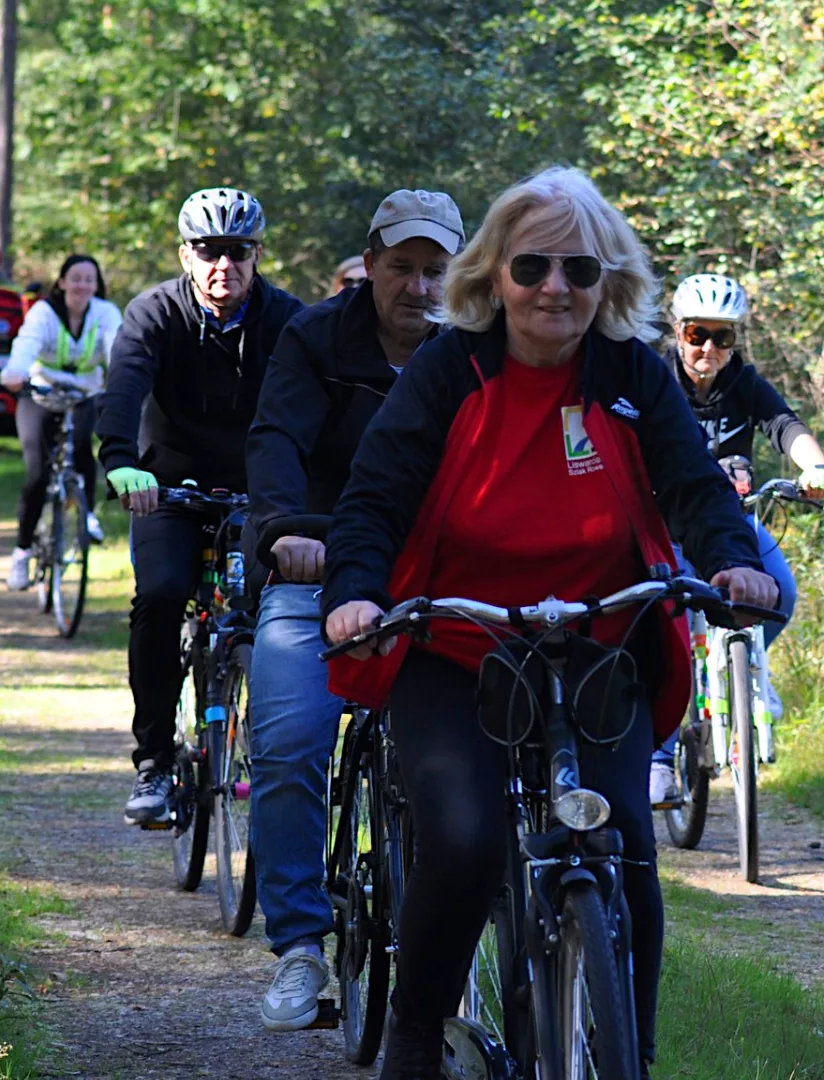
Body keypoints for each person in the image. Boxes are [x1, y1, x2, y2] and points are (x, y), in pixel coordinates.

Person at [319, 167, 776, 1079]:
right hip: (456, 646)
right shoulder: (452, 369)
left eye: (579, 268)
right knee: (465, 838)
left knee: (627, 850)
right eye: (532, 268)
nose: (555, 289)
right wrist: (354, 593)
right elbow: (375, 495)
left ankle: (628, 1056)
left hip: (598, 645)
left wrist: (732, 561)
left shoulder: (634, 374)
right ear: (493, 278)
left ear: (608, 282)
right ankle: (414, 1032)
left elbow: (692, 487)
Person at [241, 189, 462, 1032]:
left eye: (434, 269)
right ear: (369, 265)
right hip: (318, 564)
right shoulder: (314, 338)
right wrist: (288, 534)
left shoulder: (477, 346)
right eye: (400, 267)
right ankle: (301, 944)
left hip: (432, 575)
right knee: (290, 741)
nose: (417, 286)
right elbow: (276, 445)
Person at [97, 187, 305, 825]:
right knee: (160, 596)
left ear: (258, 255)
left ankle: (279, 762)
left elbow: (310, 405)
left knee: (279, 614)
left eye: (238, 252)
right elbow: (127, 384)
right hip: (168, 488)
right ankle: (155, 763)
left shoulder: (288, 319)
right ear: (186, 255)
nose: (224, 266)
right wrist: (120, 460)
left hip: (259, 491)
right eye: (210, 251)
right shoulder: (154, 312)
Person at [647, 273, 824, 805]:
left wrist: (816, 467)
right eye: (697, 334)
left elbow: (785, 426)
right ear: (678, 331)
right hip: (667, 526)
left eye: (723, 337)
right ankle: (659, 758)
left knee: (782, 592)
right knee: (668, 630)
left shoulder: (744, 385)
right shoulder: (655, 378)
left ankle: (749, 668)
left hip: (732, 521)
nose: (709, 348)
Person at [0, 255, 124, 589]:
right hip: (39, 394)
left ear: (96, 285)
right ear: (62, 282)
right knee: (38, 472)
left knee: (83, 447)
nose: (82, 285)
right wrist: (14, 372)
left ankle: (88, 516)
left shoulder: (105, 313)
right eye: (76, 278)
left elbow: (118, 351)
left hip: (84, 394)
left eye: (89, 279)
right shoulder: (44, 312)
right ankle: (22, 554)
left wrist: (124, 381)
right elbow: (26, 344)